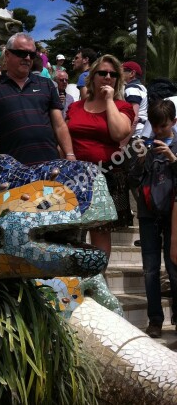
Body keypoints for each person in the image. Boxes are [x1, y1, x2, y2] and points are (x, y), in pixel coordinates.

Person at [0, 32, 76, 166]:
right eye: (22, 53)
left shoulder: (46, 85)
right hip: (14, 173)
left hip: (50, 169)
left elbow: (59, 125)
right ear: (7, 55)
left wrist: (70, 155)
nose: (28, 58)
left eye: (32, 54)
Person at [66, 54, 134, 256]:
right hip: (74, 175)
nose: (107, 77)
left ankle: (96, 283)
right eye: (102, 73)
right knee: (69, 230)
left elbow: (119, 133)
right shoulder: (75, 106)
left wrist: (109, 100)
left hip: (105, 175)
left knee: (100, 232)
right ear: (92, 76)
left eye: (113, 74)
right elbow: (64, 136)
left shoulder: (123, 106)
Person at [129, 99, 177, 338]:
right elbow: (132, 179)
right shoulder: (143, 145)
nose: (158, 131)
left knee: (173, 267)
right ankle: (155, 320)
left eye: (164, 126)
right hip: (148, 214)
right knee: (150, 270)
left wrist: (172, 158)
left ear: (174, 122)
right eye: (155, 126)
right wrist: (138, 162)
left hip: (173, 216)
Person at [122, 61, 148, 140]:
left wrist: (124, 142)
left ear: (132, 73)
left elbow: (134, 118)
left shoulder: (132, 89)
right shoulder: (142, 88)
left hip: (135, 135)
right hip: (142, 132)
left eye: (122, 71)